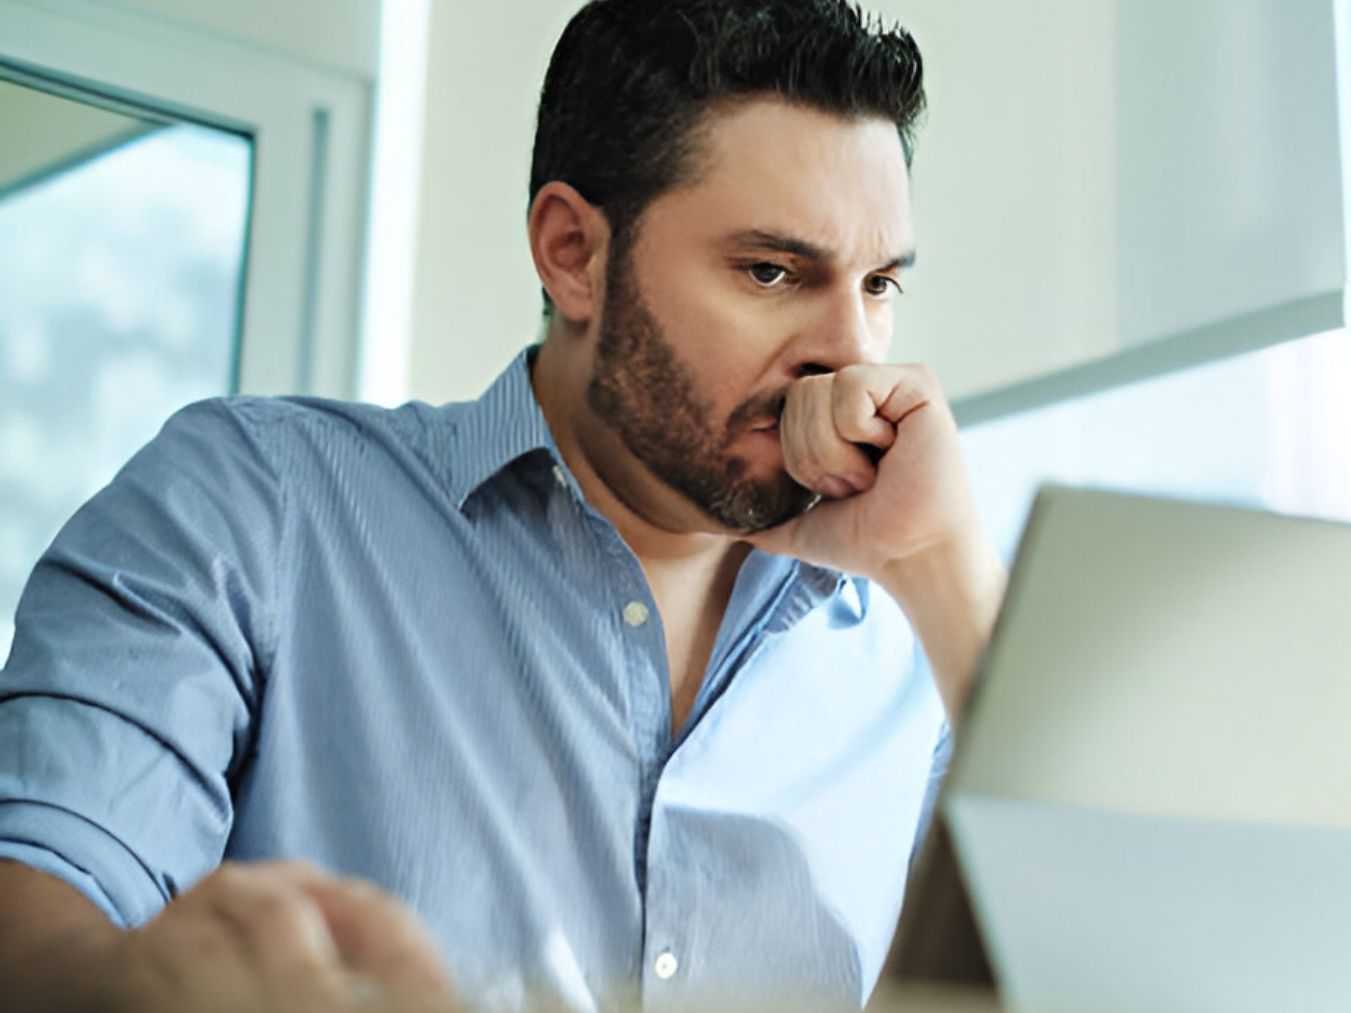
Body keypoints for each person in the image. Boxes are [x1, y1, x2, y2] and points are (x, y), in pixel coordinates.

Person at [0, 0, 1006, 1008]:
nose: (852, 350)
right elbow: (36, 919)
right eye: (772, 271)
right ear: (573, 252)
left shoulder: (911, 646)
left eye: (878, 284)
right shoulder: (252, 505)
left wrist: (942, 570)